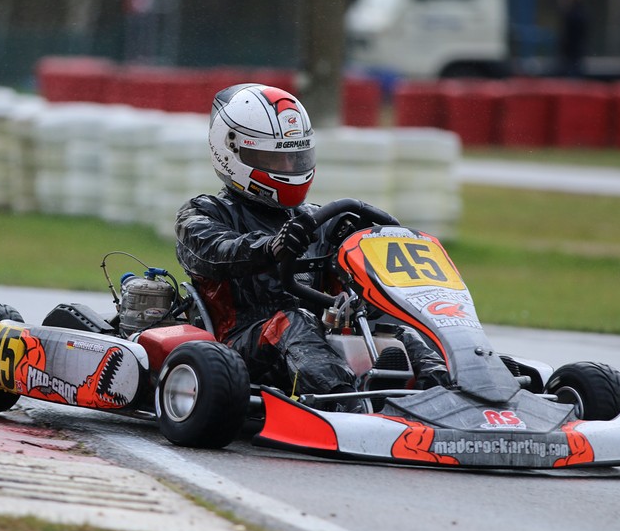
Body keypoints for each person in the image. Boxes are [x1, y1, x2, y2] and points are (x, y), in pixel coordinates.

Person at [174, 84, 448, 410]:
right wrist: (269, 248)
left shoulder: (319, 220)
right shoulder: (203, 213)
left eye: (296, 157)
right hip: (237, 345)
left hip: (319, 334)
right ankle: (347, 405)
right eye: (274, 158)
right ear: (231, 152)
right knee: (292, 321)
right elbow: (215, 252)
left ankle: (446, 392)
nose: (289, 168)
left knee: (396, 331)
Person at [556, 0, 588, 78]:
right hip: (573, 54)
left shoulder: (574, 14)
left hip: (572, 54)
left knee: (572, 79)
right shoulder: (578, 12)